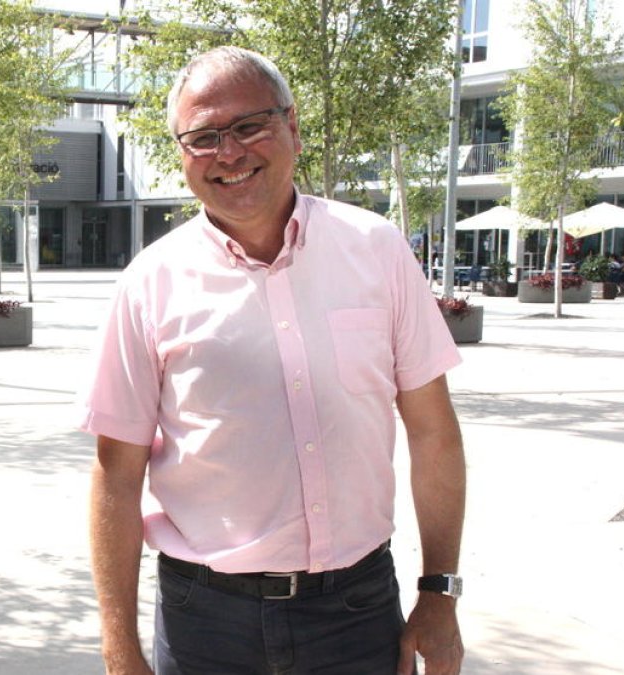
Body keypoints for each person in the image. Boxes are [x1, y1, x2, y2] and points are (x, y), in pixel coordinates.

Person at [79, 46, 466, 675]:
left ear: (293, 128)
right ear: (181, 156)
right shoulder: (149, 283)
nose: (228, 153)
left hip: (356, 611)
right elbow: (116, 478)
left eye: (248, 126)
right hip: (205, 621)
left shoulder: (378, 251)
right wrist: (119, 647)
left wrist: (439, 594)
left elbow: (434, 432)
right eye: (202, 137)